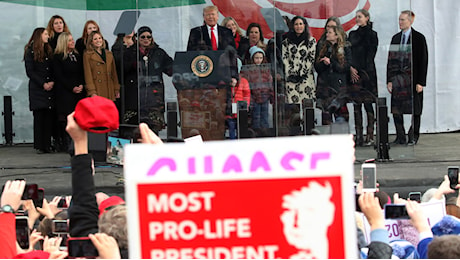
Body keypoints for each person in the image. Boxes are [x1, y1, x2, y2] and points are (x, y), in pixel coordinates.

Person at [387, 10, 428, 145]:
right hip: (398, 79)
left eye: (403, 20)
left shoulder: (418, 38)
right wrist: (389, 80)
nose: (400, 22)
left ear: (410, 21)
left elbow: (423, 60)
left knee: (415, 110)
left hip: (413, 79)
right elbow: (391, 60)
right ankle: (400, 136)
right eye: (399, 19)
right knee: (396, 109)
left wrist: (421, 82)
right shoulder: (395, 38)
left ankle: (413, 135)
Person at [348, 9, 379, 146]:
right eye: (356, 17)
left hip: (367, 73)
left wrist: (363, 71)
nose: (357, 19)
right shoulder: (352, 34)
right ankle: (359, 135)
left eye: (360, 17)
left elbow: (371, 54)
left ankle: (370, 134)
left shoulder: (372, 35)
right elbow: (348, 52)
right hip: (354, 72)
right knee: (356, 104)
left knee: (368, 103)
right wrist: (351, 68)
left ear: (367, 18)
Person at [24, 27, 55, 154]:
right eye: (46, 34)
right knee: (39, 116)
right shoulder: (30, 51)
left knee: (48, 116)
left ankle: (47, 143)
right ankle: (40, 144)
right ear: (39, 36)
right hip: (38, 88)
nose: (48, 36)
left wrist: (52, 81)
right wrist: (43, 83)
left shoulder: (48, 50)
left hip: (49, 86)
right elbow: (30, 71)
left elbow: (53, 68)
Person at [53, 32, 86, 152]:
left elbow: (82, 72)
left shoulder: (77, 56)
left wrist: (81, 84)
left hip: (78, 91)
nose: (73, 42)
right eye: (70, 40)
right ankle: (65, 142)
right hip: (65, 92)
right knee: (66, 117)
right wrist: (72, 87)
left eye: (72, 40)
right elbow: (59, 76)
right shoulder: (58, 57)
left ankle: (76, 141)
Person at [314, 25, 352, 125]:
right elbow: (317, 66)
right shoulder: (323, 47)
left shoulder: (345, 48)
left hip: (338, 87)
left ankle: (341, 138)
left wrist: (331, 62)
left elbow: (345, 67)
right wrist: (323, 63)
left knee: (341, 117)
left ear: (336, 35)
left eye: (329, 32)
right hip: (325, 87)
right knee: (326, 117)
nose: (327, 34)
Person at [282, 16, 317, 104]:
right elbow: (285, 58)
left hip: (306, 79)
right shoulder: (286, 42)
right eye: (296, 24)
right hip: (291, 80)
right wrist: (291, 73)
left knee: (307, 108)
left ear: (304, 25)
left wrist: (302, 73)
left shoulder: (311, 41)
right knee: (294, 110)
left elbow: (311, 58)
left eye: (301, 24)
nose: (298, 26)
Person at [242, 46, 273, 133]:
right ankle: (256, 134)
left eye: (260, 58)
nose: (259, 60)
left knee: (265, 117)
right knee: (256, 117)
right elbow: (247, 85)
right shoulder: (249, 70)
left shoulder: (266, 70)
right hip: (255, 98)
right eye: (256, 58)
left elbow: (270, 83)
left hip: (265, 96)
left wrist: (271, 95)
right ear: (252, 58)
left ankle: (265, 133)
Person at [83, 31, 120, 101]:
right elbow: (88, 75)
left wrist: (116, 88)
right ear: (91, 41)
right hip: (97, 88)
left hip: (109, 87)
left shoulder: (109, 54)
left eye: (100, 38)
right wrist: (92, 91)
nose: (98, 40)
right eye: (95, 39)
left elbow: (114, 73)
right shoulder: (87, 55)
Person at [226, 59, 250, 139]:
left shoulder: (243, 81)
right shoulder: (226, 81)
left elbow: (247, 94)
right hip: (229, 110)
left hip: (240, 110)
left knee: (240, 129)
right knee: (231, 127)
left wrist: (246, 105)